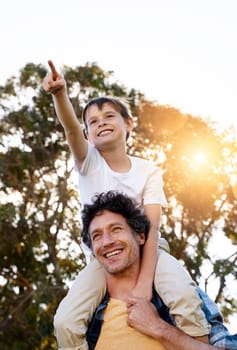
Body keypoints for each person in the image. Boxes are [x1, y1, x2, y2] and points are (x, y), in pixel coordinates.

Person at [43, 60, 211, 349]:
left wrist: (145, 285)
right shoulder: (89, 163)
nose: (101, 123)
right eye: (92, 122)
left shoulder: (149, 171)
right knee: (65, 321)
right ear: (88, 134)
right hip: (102, 259)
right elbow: (71, 129)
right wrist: (60, 94)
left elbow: (153, 225)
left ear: (128, 124)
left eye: (109, 116)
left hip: (150, 250)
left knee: (184, 296)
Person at [81, 191, 223, 350]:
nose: (106, 242)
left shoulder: (179, 295)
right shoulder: (85, 316)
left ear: (141, 237)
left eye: (116, 229)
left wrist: (157, 327)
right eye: (97, 236)